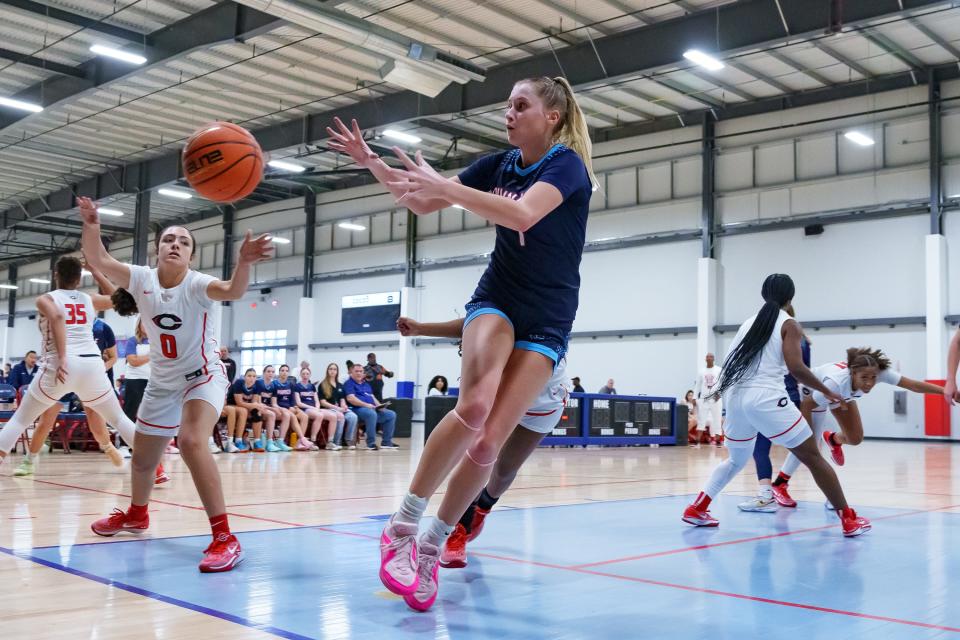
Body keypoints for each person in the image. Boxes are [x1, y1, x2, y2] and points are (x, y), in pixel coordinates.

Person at [329, 74, 594, 611]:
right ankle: (402, 524)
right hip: (498, 297)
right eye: (508, 105)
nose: (510, 113)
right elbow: (420, 201)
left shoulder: (567, 165)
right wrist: (372, 164)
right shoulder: (497, 166)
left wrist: (447, 188)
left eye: (521, 105)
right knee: (473, 404)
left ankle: (432, 544)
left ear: (553, 117)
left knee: (488, 445)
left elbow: (522, 213)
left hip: (548, 319)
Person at [79, 195, 272, 573]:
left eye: (184, 242)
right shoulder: (141, 279)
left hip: (203, 377)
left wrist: (244, 263)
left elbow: (233, 291)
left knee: (191, 440)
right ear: (157, 250)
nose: (176, 245)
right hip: (163, 382)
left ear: (191, 257)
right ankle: (137, 515)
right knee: (144, 459)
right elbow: (99, 259)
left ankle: (224, 537)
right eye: (169, 239)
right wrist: (91, 224)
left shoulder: (199, 284)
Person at [682, 274, 870, 537]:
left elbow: (730, 365)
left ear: (763, 294)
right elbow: (796, 368)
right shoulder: (789, 323)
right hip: (766, 397)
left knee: (736, 460)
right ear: (790, 298)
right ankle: (848, 519)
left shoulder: (748, 323)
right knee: (813, 457)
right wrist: (827, 391)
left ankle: (697, 508)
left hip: (736, 398)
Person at [397, 315, 570, 569]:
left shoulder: (549, 300)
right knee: (480, 449)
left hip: (544, 397)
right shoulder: (495, 303)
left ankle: (483, 508)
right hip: (501, 385)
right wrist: (422, 328)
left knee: (505, 470)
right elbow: (475, 318)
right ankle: (456, 530)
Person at [0, 257, 148, 481]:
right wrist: (96, 271)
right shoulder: (88, 299)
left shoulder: (46, 298)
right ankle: (153, 466)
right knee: (118, 419)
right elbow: (118, 299)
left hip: (62, 366)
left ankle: (17, 457)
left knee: (21, 419)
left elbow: (58, 316)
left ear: (54, 275)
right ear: (79, 279)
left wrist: (61, 358)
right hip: (92, 366)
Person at [769, 347, 946, 509]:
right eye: (864, 378)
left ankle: (833, 439)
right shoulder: (836, 383)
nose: (869, 383)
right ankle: (780, 484)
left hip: (841, 396)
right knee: (810, 447)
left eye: (873, 378)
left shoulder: (880, 372)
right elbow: (808, 404)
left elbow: (913, 385)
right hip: (813, 394)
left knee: (855, 438)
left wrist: (945, 392)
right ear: (853, 373)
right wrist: (805, 437)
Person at [738, 303, 809, 512]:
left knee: (761, 448)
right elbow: (804, 372)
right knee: (805, 449)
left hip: (771, 397)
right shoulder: (802, 338)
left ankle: (767, 494)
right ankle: (830, 498)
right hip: (791, 396)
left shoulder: (767, 336)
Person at [344, 363, 398, 451]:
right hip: (356, 409)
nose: (359, 373)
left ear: (363, 373)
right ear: (351, 373)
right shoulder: (349, 383)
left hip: (371, 409)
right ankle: (371, 443)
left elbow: (372, 397)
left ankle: (386, 442)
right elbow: (351, 399)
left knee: (391, 414)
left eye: (361, 371)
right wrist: (366, 405)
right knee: (371, 414)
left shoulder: (366, 384)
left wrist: (379, 406)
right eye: (356, 371)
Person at [294, 366, 341, 450]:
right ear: (300, 375)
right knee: (319, 416)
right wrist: (312, 408)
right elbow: (298, 403)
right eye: (303, 374)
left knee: (333, 416)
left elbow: (316, 400)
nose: (305, 375)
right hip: (305, 409)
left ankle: (330, 442)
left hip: (314, 408)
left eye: (307, 374)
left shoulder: (312, 386)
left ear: (310, 375)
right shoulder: (297, 386)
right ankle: (313, 441)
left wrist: (317, 407)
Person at [273, 363, 316, 451]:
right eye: (282, 371)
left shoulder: (291, 384)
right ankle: (302, 439)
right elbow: (275, 402)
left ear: (288, 373)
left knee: (304, 416)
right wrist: (289, 408)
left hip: (290, 407)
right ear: (279, 372)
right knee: (292, 416)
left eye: (286, 371)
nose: (284, 372)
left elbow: (292, 399)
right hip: (280, 408)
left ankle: (300, 442)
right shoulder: (275, 384)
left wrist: (294, 407)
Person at [319, 362, 358, 449]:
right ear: (327, 371)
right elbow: (323, 402)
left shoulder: (340, 385)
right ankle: (337, 442)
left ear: (337, 372)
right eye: (331, 369)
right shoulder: (322, 385)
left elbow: (342, 399)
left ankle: (348, 440)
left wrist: (344, 406)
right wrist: (337, 408)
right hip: (329, 409)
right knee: (340, 417)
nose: (332, 371)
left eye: (334, 369)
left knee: (353, 416)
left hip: (339, 408)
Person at [226, 368, 263, 453]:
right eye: (249, 376)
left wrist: (257, 407)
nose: (252, 378)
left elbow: (254, 402)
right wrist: (254, 405)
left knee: (257, 412)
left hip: (244, 406)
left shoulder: (257, 385)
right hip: (232, 404)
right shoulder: (239, 383)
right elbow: (239, 402)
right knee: (244, 411)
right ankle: (238, 441)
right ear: (245, 377)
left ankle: (257, 442)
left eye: (254, 376)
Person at [122, 320, 150, 423]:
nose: (147, 324)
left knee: (152, 413)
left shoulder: (159, 341)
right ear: (139, 324)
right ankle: (125, 438)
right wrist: (152, 356)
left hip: (154, 380)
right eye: (144, 322)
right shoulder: (133, 341)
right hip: (135, 380)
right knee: (130, 411)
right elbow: (133, 361)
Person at [694, 353, 723, 446]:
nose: (709, 358)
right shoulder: (701, 371)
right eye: (707, 356)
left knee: (717, 418)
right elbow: (698, 385)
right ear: (705, 359)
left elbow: (723, 383)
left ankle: (718, 440)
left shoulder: (719, 370)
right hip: (704, 398)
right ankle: (697, 440)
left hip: (715, 398)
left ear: (713, 359)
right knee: (701, 418)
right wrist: (695, 397)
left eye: (711, 357)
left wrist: (720, 393)